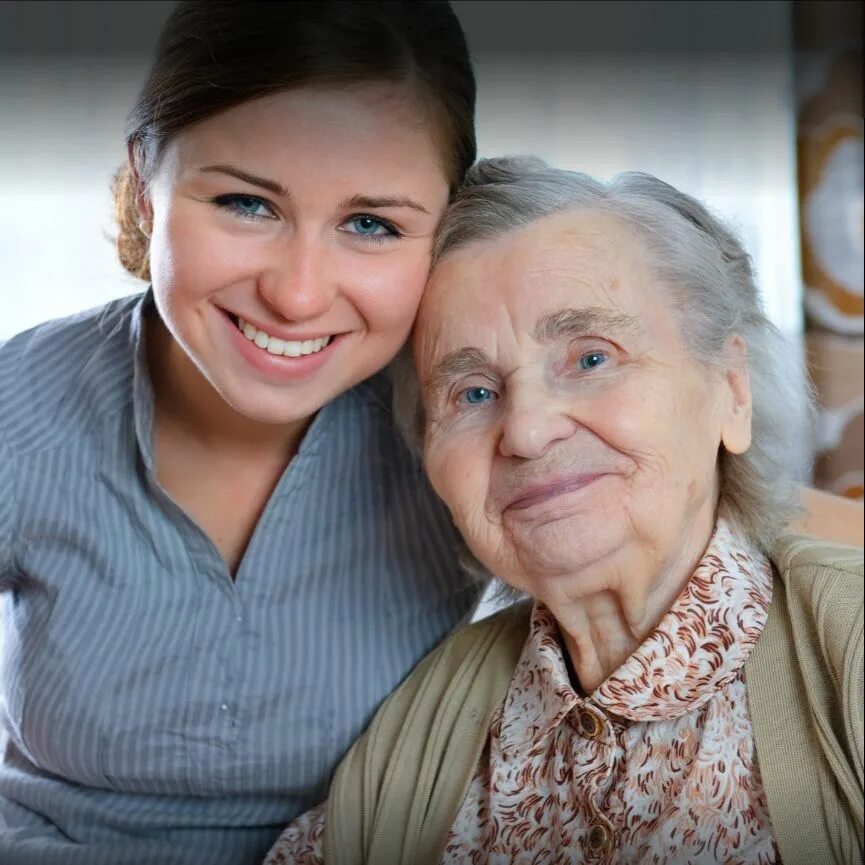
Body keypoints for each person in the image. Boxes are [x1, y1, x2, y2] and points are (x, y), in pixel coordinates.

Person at [266, 158, 864, 865]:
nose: (524, 432)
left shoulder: (845, 653)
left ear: (730, 390)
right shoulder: (421, 725)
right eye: (472, 393)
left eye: (589, 359)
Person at [0, 3, 480, 864]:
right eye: (246, 203)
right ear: (146, 182)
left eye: (371, 224)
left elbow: (713, 518)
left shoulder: (466, 411)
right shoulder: (20, 405)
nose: (297, 296)